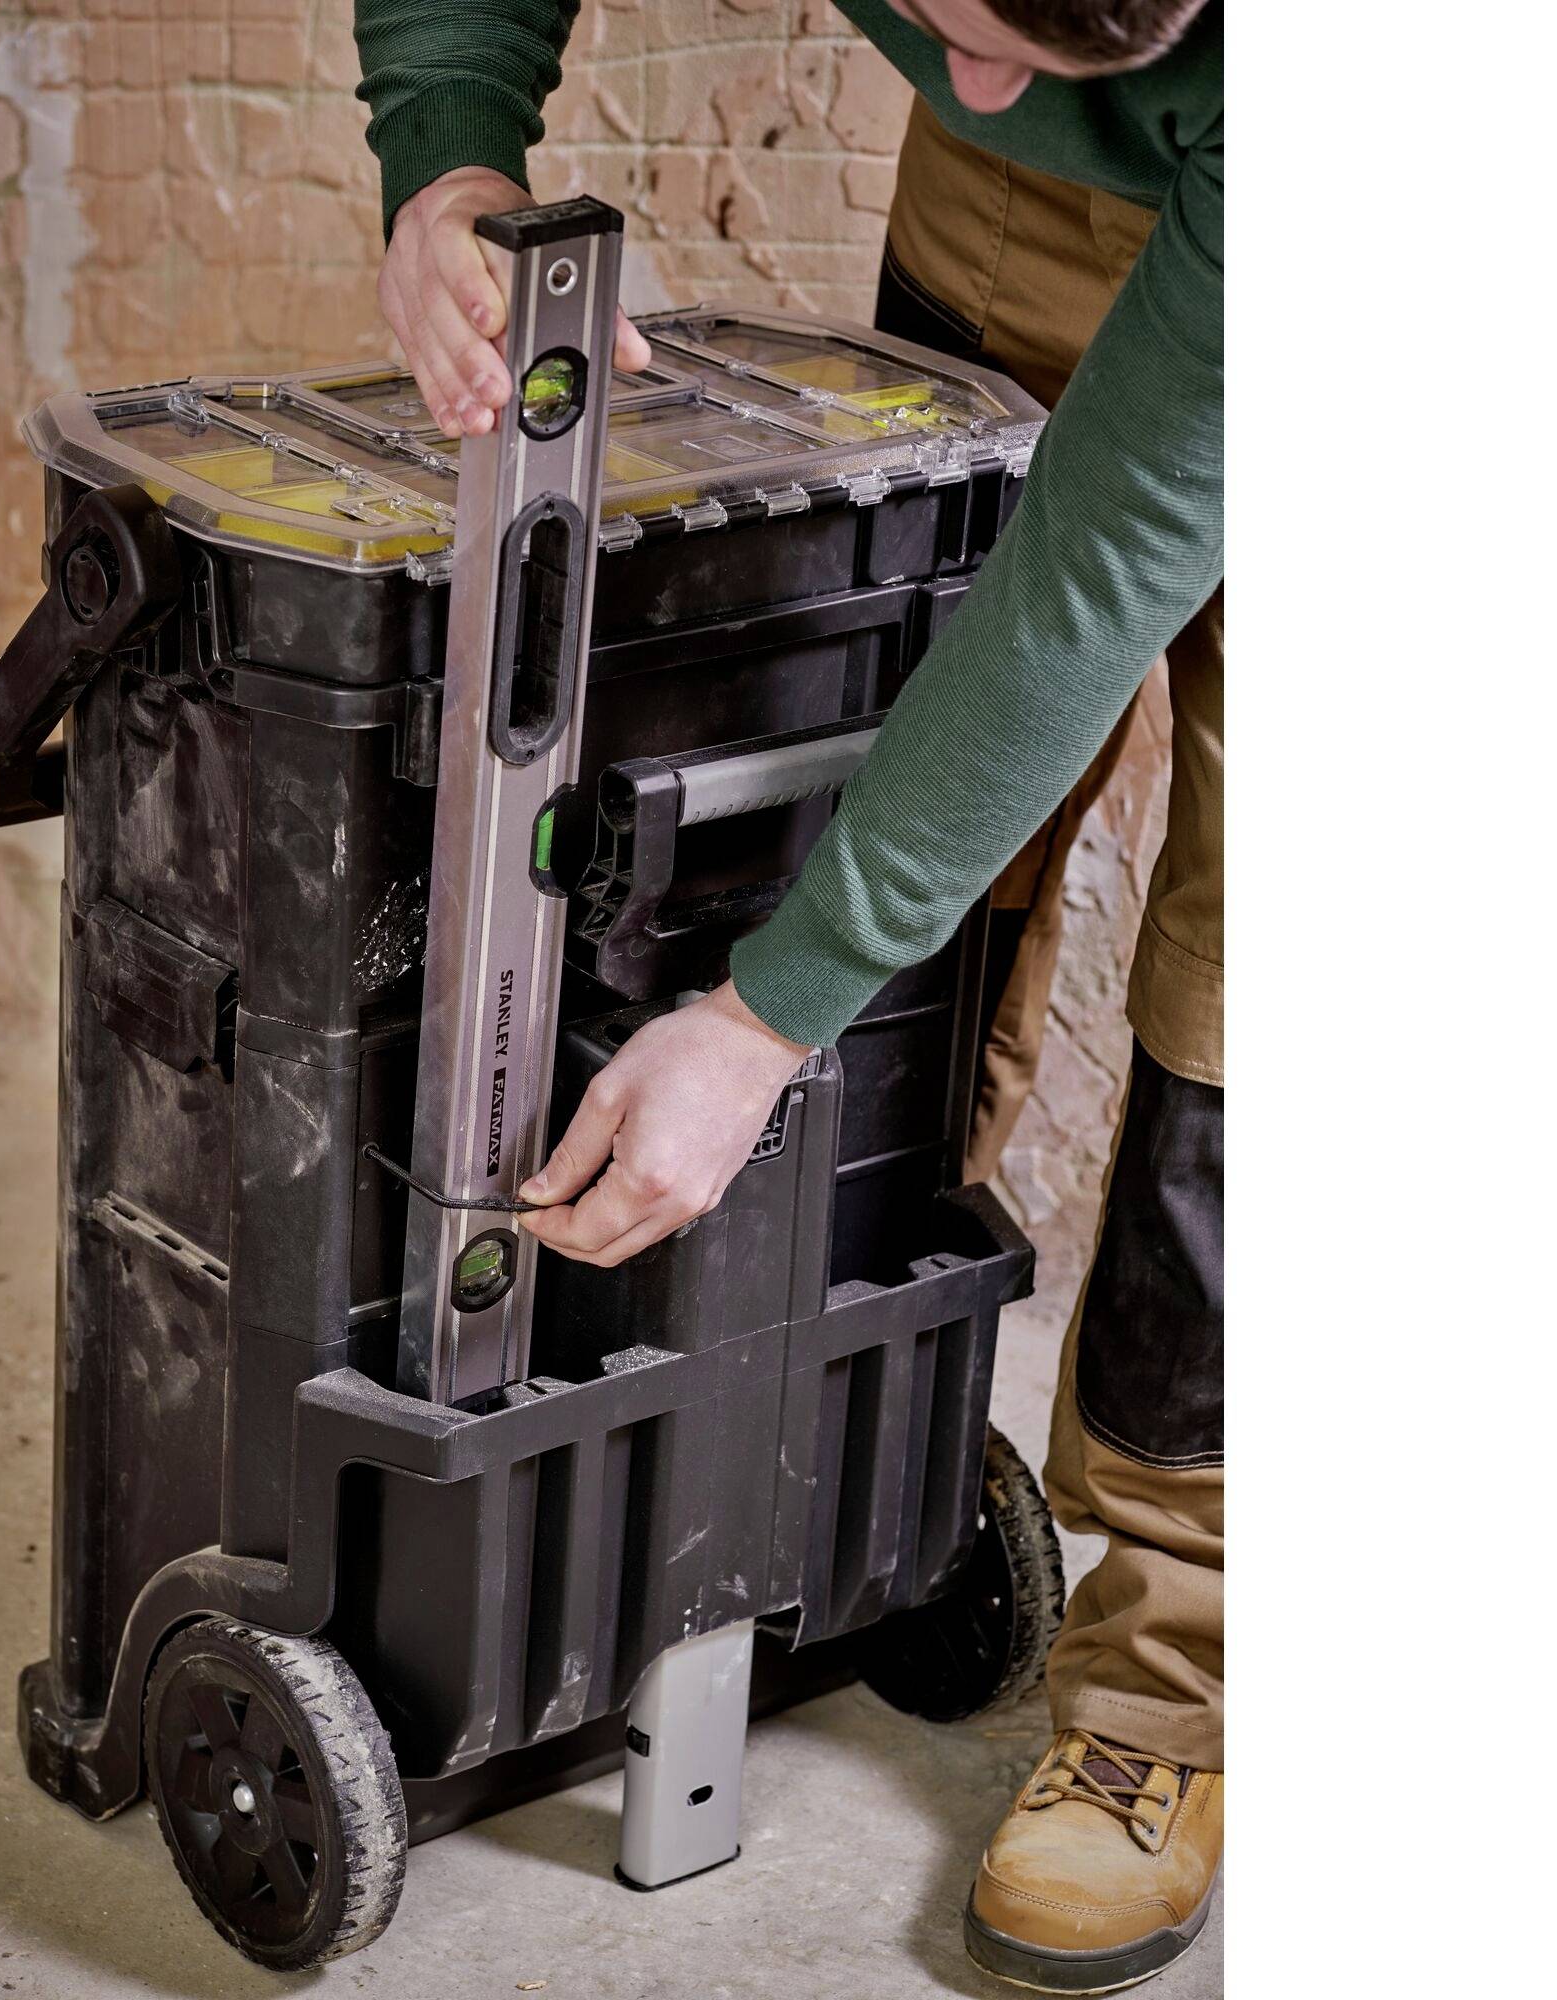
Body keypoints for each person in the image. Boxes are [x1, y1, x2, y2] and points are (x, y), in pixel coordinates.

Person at [352, 1, 1223, 1988]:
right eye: (946, 17)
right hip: (1007, 244)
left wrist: (766, 1018)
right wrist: (451, 157)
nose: (974, 67)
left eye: (1048, 33)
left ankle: (1164, 1689)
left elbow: (1097, 570)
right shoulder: (1010, 101)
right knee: (911, 851)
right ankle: (847, 1455)